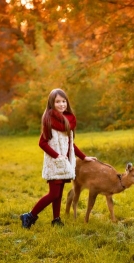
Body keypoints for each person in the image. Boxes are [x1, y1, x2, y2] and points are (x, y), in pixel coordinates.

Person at [20, 88, 97, 229]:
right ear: (52, 103)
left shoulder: (69, 120)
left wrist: (84, 157)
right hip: (54, 162)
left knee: (59, 193)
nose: (61, 104)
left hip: (65, 162)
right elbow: (42, 143)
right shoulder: (48, 120)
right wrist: (57, 156)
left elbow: (70, 143)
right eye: (57, 102)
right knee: (54, 193)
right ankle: (29, 215)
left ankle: (56, 219)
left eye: (63, 101)